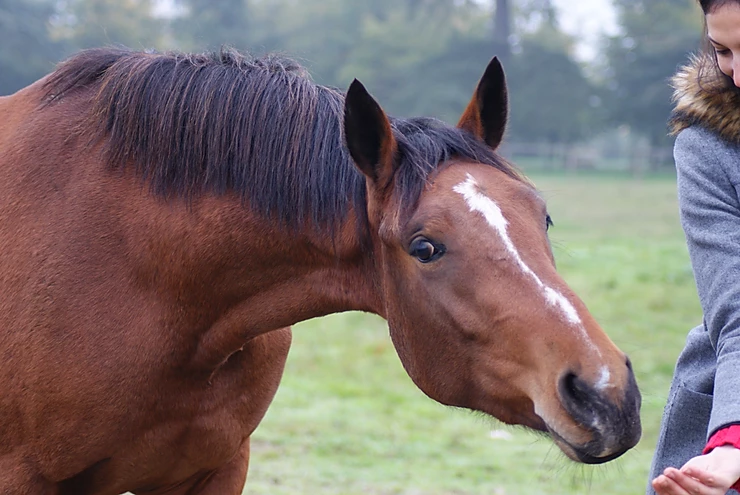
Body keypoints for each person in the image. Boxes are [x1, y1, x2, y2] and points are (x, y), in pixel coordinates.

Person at [649, 1, 740, 494]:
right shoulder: (707, 147)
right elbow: (739, 310)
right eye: (724, 51)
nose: (738, 75)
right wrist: (733, 441)